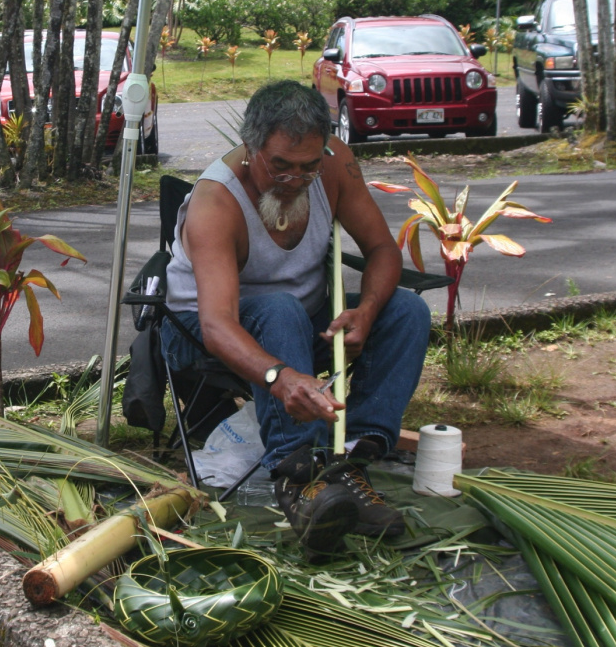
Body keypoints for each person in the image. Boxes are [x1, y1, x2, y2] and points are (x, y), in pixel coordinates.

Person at [162, 80, 431, 556]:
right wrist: (280, 377)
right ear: (250, 147)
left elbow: (382, 250)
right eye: (280, 166)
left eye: (308, 167)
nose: (294, 180)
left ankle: (353, 460)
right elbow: (216, 325)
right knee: (278, 307)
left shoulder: (335, 166)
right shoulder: (216, 202)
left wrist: (365, 312)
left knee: (407, 310)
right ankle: (299, 477)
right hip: (203, 333)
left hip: (298, 328)